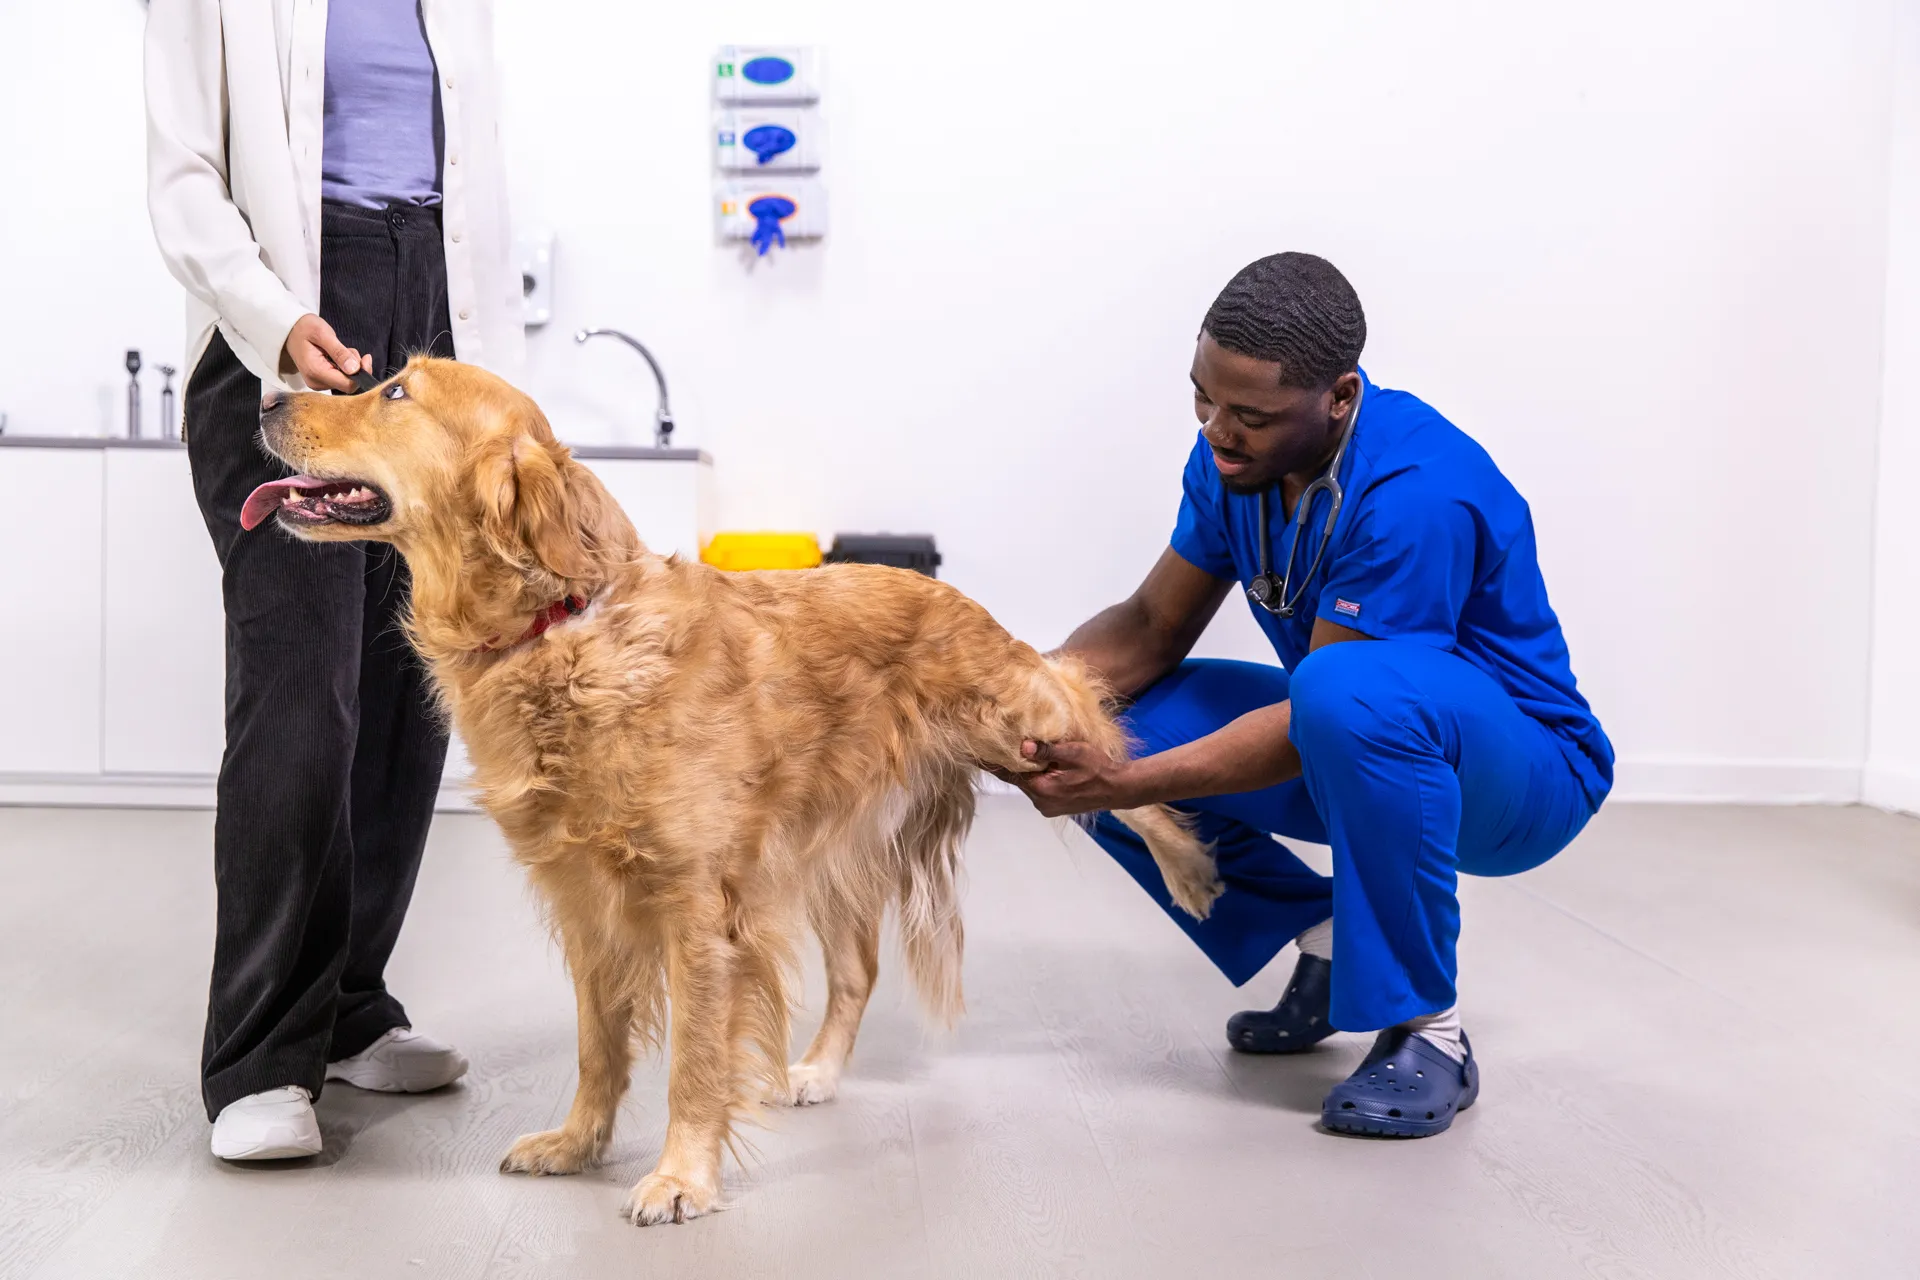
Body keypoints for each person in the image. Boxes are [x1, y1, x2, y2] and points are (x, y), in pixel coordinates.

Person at [1002, 253, 1612, 1138]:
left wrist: (1124, 788)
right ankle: (1330, 941)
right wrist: (1009, 705)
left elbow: (1325, 709)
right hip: (1352, 738)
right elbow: (1146, 626)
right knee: (1100, 715)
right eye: (1203, 399)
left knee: (1341, 686)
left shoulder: (1417, 493)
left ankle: (1429, 1032)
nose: (1217, 431)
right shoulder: (1231, 464)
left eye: (1250, 415)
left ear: (1339, 396)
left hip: (1520, 779)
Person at [145, 0, 523, 1160]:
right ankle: (260, 1055)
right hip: (288, 320)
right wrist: (274, 312)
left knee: (413, 696)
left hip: (430, 324)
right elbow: (184, 178)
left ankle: (352, 1004)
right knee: (304, 698)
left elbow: (473, 176)